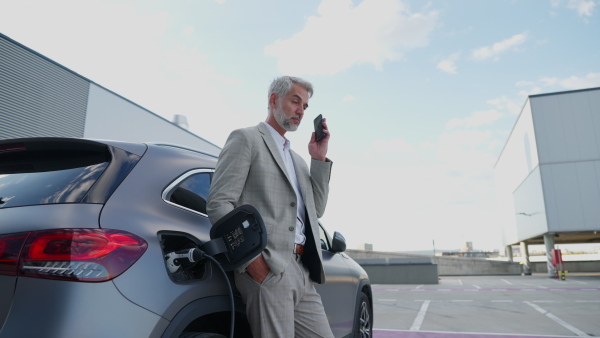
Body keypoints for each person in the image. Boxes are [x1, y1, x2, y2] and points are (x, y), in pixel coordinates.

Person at [207, 76, 334, 338]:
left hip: (302, 271)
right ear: (274, 100)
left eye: (305, 106)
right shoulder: (247, 139)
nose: (300, 110)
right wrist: (253, 262)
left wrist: (318, 159)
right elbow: (219, 202)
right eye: (295, 101)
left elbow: (316, 210)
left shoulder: (298, 160)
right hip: (267, 268)